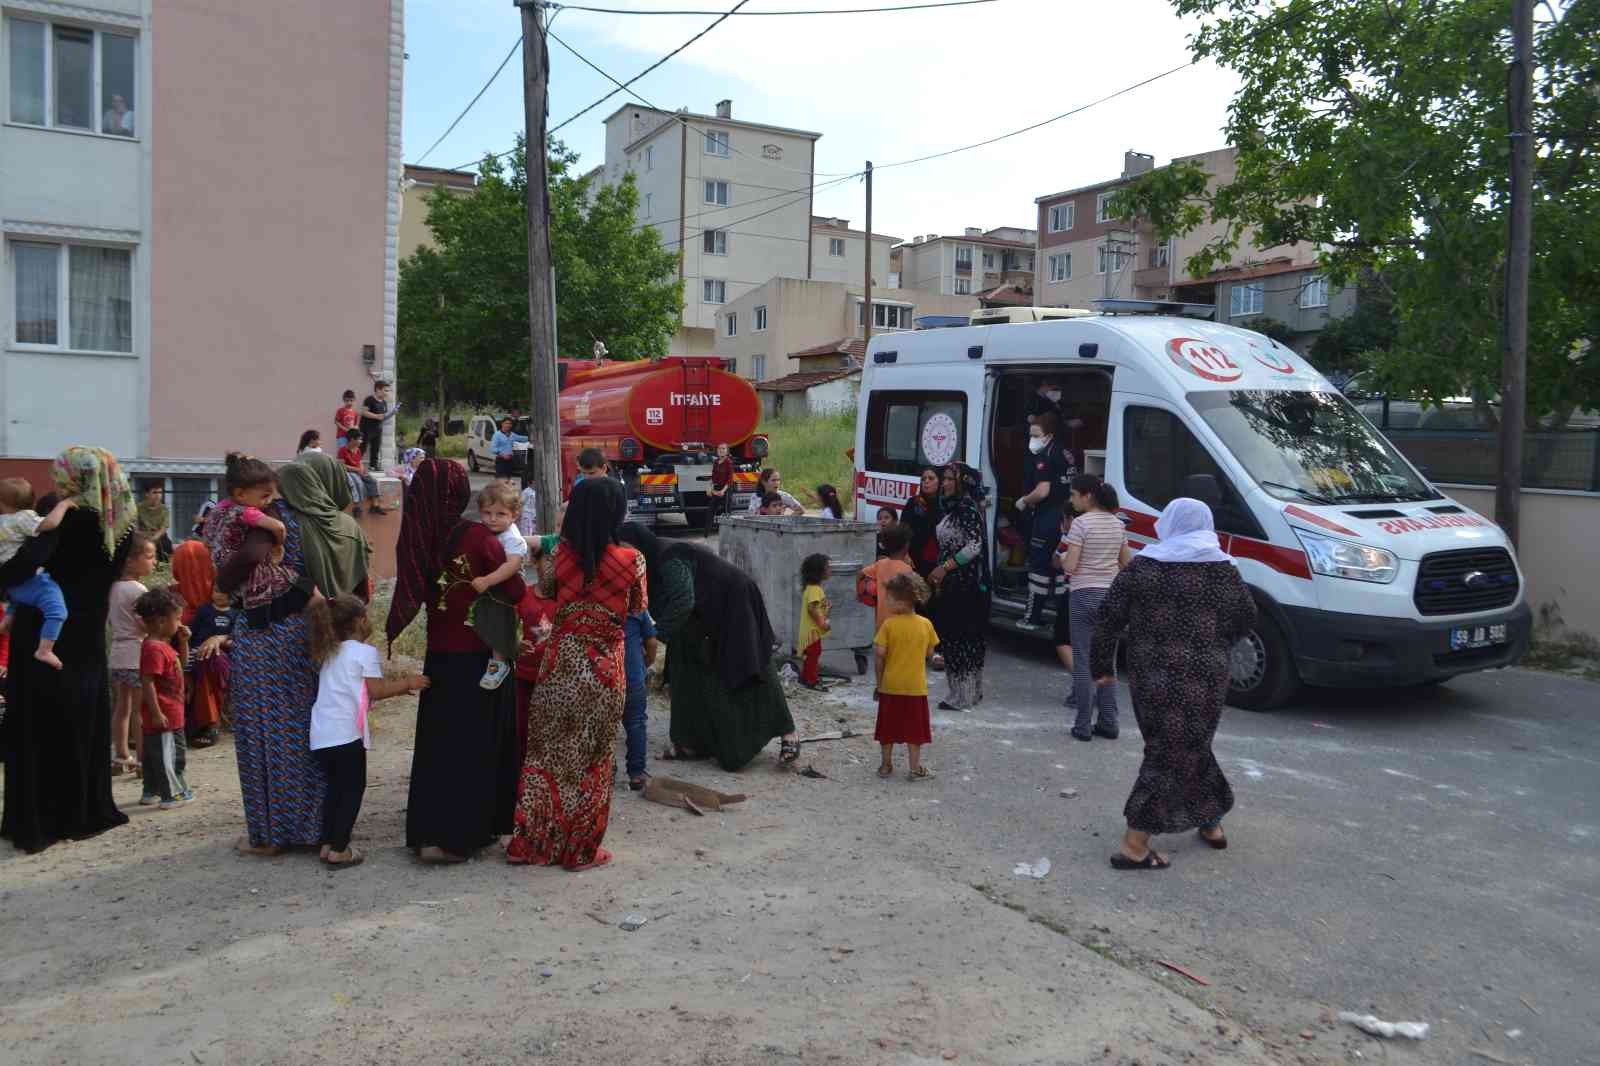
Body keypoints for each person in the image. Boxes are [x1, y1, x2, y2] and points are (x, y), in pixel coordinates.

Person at [213, 451, 371, 857]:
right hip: (314, 636)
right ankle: (319, 827)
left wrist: (222, 584)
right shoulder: (344, 527)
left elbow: (248, 560)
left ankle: (272, 834)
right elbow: (362, 589)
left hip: (265, 636)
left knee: (265, 734)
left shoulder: (275, 516)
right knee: (307, 732)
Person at [1092, 498, 1258, 870]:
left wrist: (1102, 667)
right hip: (1206, 676)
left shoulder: (1144, 567)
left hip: (1151, 676)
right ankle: (1136, 844)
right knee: (1176, 747)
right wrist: (1217, 643)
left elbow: (1107, 617)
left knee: (1177, 746)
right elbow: (1247, 617)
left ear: (1167, 524)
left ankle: (1209, 820)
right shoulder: (1222, 570)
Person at [387, 459, 525, 864]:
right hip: (479, 655)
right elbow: (515, 591)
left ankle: (428, 835)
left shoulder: (419, 537)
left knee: (438, 745)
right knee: (472, 746)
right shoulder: (477, 537)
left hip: (440, 655)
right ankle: (459, 837)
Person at [0, 446, 137, 853]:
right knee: (81, 718)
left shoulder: (60, 515)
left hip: (44, 630)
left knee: (40, 723)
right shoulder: (121, 520)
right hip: (88, 633)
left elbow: (22, 565)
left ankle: (41, 815)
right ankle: (84, 808)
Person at [507, 477, 641, 871]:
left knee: (545, 754)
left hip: (559, 665)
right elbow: (637, 606)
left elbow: (547, 591)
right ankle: (580, 850)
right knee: (595, 758)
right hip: (604, 671)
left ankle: (531, 845)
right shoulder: (632, 559)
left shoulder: (559, 557)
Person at [617, 524, 800, 772]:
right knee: (684, 669)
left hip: (733, 602)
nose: (624, 555)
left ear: (640, 544)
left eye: (626, 548)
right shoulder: (644, 565)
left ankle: (788, 733)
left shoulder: (669, 558)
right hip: (697, 618)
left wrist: (655, 637)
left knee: (751, 664)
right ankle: (690, 742)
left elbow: (683, 600)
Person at [306, 593, 428, 870]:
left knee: (334, 789)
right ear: (360, 621)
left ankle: (327, 843)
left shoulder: (330, 651)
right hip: (346, 734)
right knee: (352, 790)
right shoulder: (364, 652)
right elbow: (377, 690)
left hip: (321, 734)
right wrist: (408, 682)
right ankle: (339, 850)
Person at [1059, 475, 1131, 741]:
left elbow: (1071, 566)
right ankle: (1109, 722)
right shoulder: (1118, 524)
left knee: (1083, 662)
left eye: (1074, 495)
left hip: (1083, 595)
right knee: (1107, 661)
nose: (1072, 500)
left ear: (1087, 496)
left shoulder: (1080, 524)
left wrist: (1063, 557)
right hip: (1110, 598)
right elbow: (1126, 564)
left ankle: (1083, 726)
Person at [927, 463, 990, 711]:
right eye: (944, 479)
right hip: (955, 583)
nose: (944, 483)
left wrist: (945, 567)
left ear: (963, 482)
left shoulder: (965, 509)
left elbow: (974, 547)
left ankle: (963, 695)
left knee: (961, 638)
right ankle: (966, 692)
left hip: (964, 585)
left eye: (950, 479)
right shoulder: (955, 508)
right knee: (959, 638)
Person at [0, 480, 78, 670]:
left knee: (19, 598)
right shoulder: (23, 518)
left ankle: (8, 619)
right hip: (29, 580)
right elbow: (49, 523)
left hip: (9, 582)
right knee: (57, 611)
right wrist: (64, 505)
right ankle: (45, 650)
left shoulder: (3, 521)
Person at [873, 573, 939, 780]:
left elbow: (879, 656)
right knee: (915, 730)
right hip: (915, 687)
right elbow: (930, 654)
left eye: (889, 598)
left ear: (901, 601)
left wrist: (879, 684)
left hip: (890, 685)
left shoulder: (888, 625)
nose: (886, 602)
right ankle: (914, 768)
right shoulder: (926, 624)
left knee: (887, 728)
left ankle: (885, 765)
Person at [1015, 411, 1075, 629]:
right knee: (1060, 569)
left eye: (1036, 435)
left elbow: (1042, 490)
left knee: (1039, 569)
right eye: (1030, 434)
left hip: (1046, 518)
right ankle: (1061, 621)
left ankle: (1031, 618)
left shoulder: (1043, 457)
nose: (1032, 439)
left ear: (1049, 435)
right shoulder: (1066, 454)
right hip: (1065, 520)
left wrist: (1023, 501)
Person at [134, 587, 192, 810]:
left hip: (167, 713)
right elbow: (147, 681)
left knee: (153, 756)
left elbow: (181, 665)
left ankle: (151, 791)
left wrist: (184, 642)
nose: (179, 623)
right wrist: (157, 712)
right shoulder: (154, 649)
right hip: (165, 716)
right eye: (177, 619)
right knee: (172, 755)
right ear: (160, 621)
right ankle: (172, 794)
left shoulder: (162, 645)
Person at [469, 482, 527, 691]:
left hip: (506, 588)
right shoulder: (484, 530)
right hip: (490, 585)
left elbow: (512, 565)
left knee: (500, 623)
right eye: (487, 513)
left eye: (500, 514)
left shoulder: (512, 538)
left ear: (514, 515)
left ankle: (499, 663)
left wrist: (487, 580)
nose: (492, 519)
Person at [111, 532, 157, 776]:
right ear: (130, 561)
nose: (154, 562)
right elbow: (143, 624)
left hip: (117, 653)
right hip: (136, 653)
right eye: (149, 557)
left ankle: (120, 756)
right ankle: (141, 760)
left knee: (122, 707)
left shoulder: (113, 587)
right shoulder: (138, 590)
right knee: (141, 710)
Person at [186, 583, 234, 748]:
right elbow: (192, 633)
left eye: (223, 592)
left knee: (215, 663)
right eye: (215, 590)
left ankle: (210, 725)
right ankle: (198, 725)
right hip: (198, 653)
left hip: (221, 657)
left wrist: (221, 640)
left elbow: (237, 639)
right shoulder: (204, 610)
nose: (218, 595)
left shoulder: (236, 613)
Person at [621, 591, 658, 792]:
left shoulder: (597, 607)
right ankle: (636, 774)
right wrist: (645, 663)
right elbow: (651, 642)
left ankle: (605, 772)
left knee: (604, 726)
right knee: (636, 723)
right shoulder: (637, 609)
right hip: (633, 676)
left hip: (605, 676)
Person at [858, 523, 914, 633]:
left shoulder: (880, 564)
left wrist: (859, 594)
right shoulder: (907, 569)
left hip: (881, 621)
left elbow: (860, 574)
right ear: (906, 545)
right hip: (901, 623)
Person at [900, 467, 944, 578]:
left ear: (940, 482)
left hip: (939, 561)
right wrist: (905, 554)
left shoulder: (946, 504)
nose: (926, 481)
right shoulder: (914, 503)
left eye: (931, 478)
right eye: (923, 479)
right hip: (914, 559)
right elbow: (903, 530)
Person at [797, 553, 831, 689]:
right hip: (812, 632)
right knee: (813, 655)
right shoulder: (815, 589)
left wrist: (826, 607)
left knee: (811, 655)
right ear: (819, 572)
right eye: (827, 567)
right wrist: (822, 623)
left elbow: (816, 607)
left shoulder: (811, 588)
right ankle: (811, 681)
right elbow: (812, 608)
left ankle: (805, 677)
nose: (830, 570)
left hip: (810, 631)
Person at [339, 429, 388, 516]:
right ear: (352, 439)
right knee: (358, 483)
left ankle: (375, 506)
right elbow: (342, 466)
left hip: (358, 471)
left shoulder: (357, 450)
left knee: (373, 481)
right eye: (359, 439)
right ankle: (357, 507)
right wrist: (357, 470)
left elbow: (360, 462)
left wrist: (362, 470)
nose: (361, 441)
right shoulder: (342, 450)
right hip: (349, 472)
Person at [136, 483, 174, 563]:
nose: (158, 495)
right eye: (155, 492)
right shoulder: (138, 508)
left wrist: (155, 537)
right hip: (142, 536)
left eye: (160, 493)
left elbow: (164, 528)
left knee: (167, 545)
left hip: (159, 537)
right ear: (147, 494)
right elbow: (135, 528)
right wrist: (145, 535)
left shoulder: (164, 509)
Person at [360, 380, 392, 470]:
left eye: (388, 391)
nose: (387, 393)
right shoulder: (369, 399)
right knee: (362, 447)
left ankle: (373, 466)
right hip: (366, 428)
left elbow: (383, 416)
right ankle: (355, 463)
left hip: (378, 429)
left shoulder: (384, 402)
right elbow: (364, 412)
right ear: (378, 389)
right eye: (385, 390)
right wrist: (376, 416)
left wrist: (390, 414)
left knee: (376, 448)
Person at [490, 417, 528, 482]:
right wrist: (502, 455)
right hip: (501, 461)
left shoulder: (512, 435)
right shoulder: (497, 435)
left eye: (510, 424)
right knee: (500, 480)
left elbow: (522, 439)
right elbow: (493, 448)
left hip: (510, 461)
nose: (508, 425)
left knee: (508, 479)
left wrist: (532, 437)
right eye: (506, 423)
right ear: (502, 424)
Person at [707, 443, 734, 532]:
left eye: (723, 448)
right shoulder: (716, 462)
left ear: (727, 451)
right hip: (717, 488)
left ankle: (728, 531)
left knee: (726, 511)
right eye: (719, 448)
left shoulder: (729, 462)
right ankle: (706, 532)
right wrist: (710, 488)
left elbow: (730, 479)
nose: (721, 450)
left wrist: (723, 491)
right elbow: (714, 477)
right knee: (711, 510)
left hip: (726, 488)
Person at [517, 473, 539, 541]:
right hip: (526, 515)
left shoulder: (537, 491)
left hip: (534, 516)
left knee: (534, 532)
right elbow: (520, 503)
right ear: (532, 482)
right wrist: (519, 514)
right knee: (526, 533)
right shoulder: (526, 491)